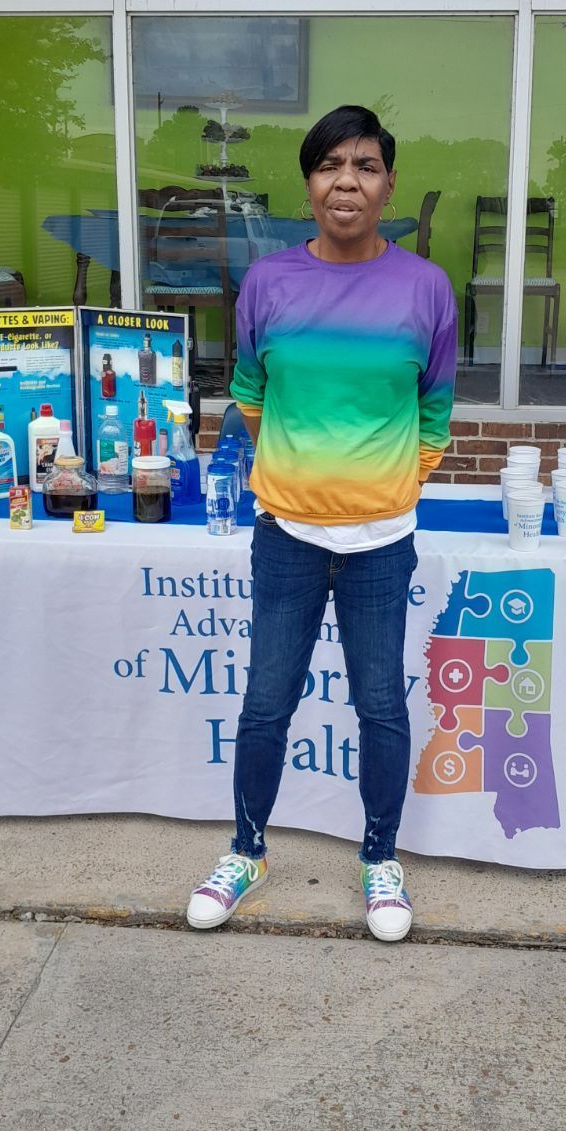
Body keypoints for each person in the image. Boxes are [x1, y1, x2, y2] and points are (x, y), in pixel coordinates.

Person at [186, 104, 457, 942]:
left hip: (381, 545)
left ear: (389, 184)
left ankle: (380, 859)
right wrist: (305, 481)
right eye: (331, 164)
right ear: (308, 183)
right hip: (287, 538)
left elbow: (436, 413)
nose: (348, 181)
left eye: (366, 165)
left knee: (381, 705)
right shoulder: (268, 283)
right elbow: (252, 397)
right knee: (267, 703)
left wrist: (376, 490)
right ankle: (248, 850)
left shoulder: (426, 287)